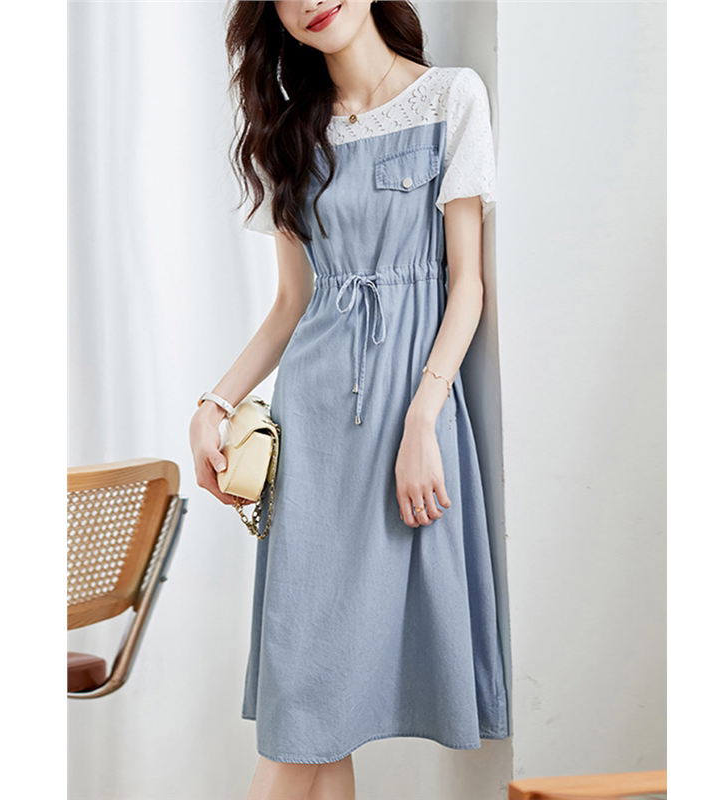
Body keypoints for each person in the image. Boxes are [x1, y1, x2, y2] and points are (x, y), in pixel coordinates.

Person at [189, 1, 509, 798]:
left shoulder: (451, 98)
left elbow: (466, 286)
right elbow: (292, 304)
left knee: (322, 704)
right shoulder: (290, 133)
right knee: (310, 699)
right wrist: (213, 404)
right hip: (315, 431)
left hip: (407, 420)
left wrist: (424, 419)